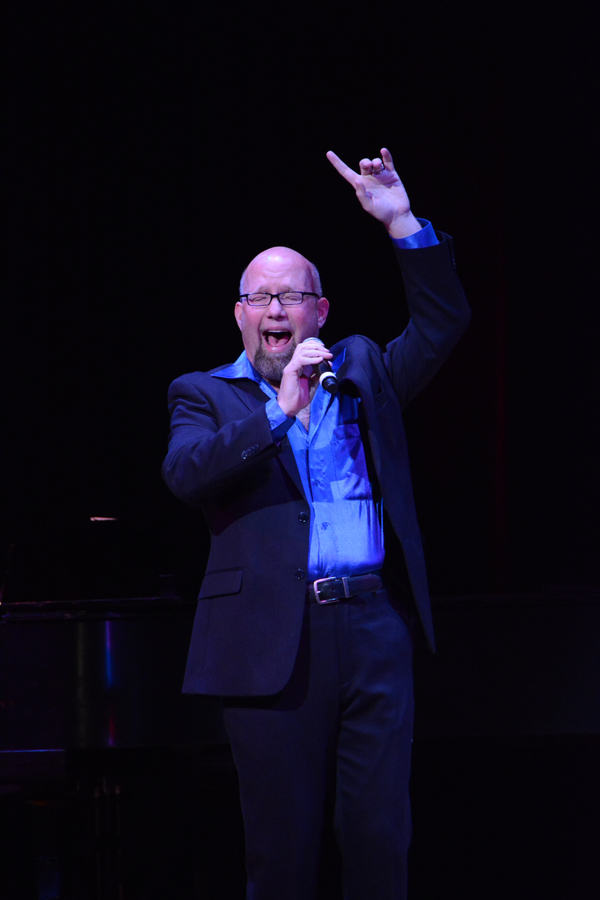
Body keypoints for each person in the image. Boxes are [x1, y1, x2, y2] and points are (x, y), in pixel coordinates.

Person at [162, 147, 470, 900]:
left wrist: (400, 223)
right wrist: (280, 413)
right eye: (260, 299)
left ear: (318, 311)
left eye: (291, 298)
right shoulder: (203, 394)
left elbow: (443, 322)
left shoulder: (361, 366)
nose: (276, 312)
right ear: (239, 313)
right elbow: (186, 474)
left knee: (377, 842)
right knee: (283, 851)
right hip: (274, 642)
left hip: (371, 627)